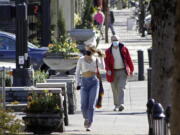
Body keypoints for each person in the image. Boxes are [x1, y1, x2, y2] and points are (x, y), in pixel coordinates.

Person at [75, 44, 105, 131]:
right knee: (83, 104)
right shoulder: (81, 60)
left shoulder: (95, 59)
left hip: (94, 82)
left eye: (90, 50)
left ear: (93, 51)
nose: (88, 52)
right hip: (84, 82)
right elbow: (77, 72)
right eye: (87, 50)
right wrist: (78, 83)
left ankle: (89, 122)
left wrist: (101, 57)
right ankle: (86, 118)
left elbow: (103, 68)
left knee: (91, 104)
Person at [104, 35, 134, 111]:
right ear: (111, 41)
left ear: (119, 40)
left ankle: (121, 104)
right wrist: (108, 70)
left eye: (116, 40)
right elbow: (106, 62)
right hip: (113, 72)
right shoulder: (108, 51)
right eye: (113, 40)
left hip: (123, 71)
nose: (115, 41)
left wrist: (132, 70)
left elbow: (129, 60)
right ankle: (116, 105)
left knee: (121, 87)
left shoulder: (124, 49)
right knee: (114, 89)